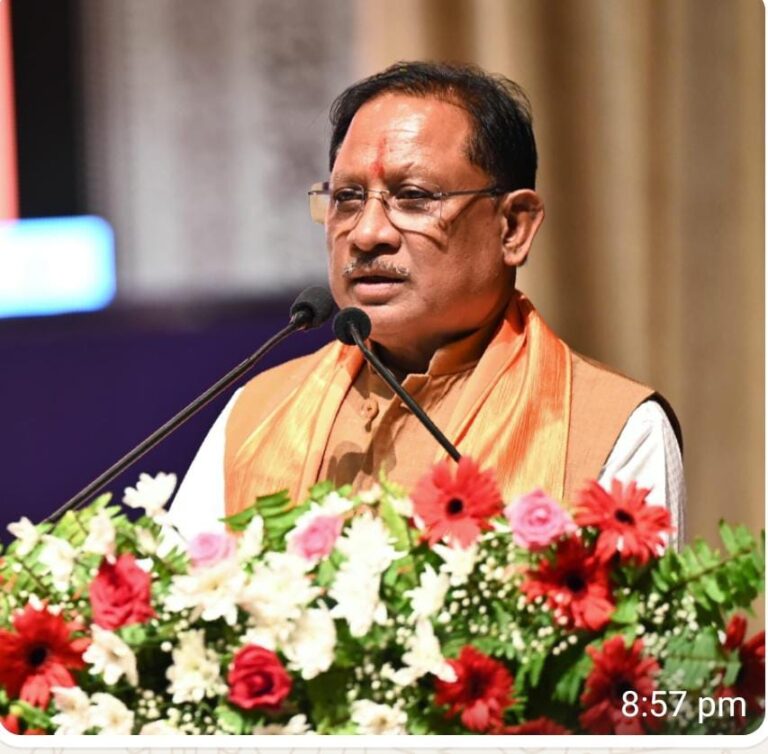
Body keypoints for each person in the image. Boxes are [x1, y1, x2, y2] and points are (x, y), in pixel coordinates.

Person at [170, 61, 685, 544]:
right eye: (347, 198)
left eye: (414, 197)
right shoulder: (257, 416)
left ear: (513, 227)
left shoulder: (611, 428)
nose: (367, 234)